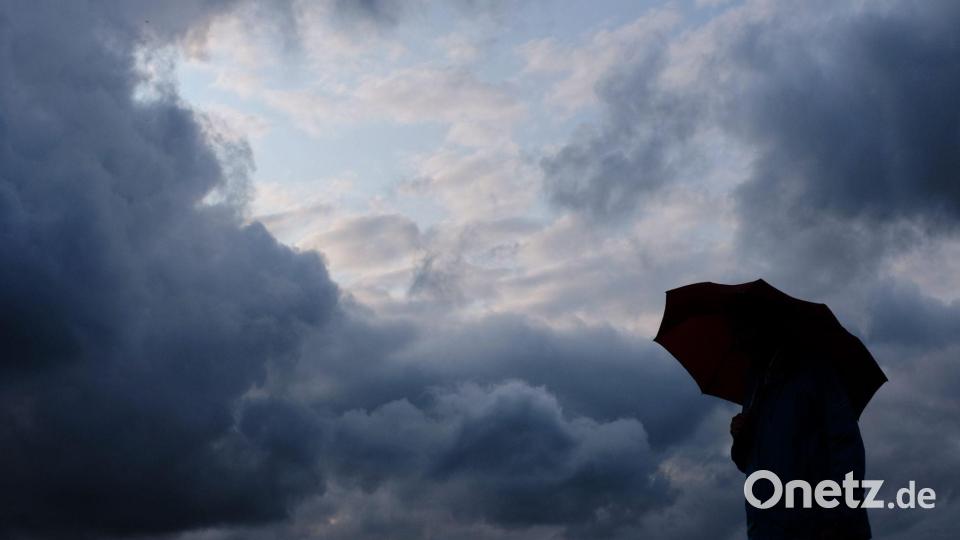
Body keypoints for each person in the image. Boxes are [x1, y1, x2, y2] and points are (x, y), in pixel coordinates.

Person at [729, 336, 872, 540]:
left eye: (742, 329)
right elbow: (751, 462)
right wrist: (741, 438)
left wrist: (838, 519)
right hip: (767, 529)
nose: (737, 341)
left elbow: (846, 448)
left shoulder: (815, 371)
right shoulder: (756, 386)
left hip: (817, 527)